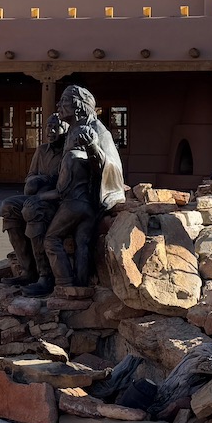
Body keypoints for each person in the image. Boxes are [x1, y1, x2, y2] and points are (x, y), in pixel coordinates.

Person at [30, 85, 126, 295]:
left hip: (79, 199)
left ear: (78, 107)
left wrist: (92, 147)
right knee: (82, 243)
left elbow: (111, 166)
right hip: (83, 202)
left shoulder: (97, 131)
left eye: (64, 101)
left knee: (50, 235)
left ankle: (62, 282)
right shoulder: (73, 130)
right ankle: (79, 286)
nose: (58, 105)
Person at [0, 112, 68, 287]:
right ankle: (27, 270)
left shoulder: (68, 153)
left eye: (55, 127)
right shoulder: (41, 151)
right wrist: (33, 181)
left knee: (31, 210)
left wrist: (44, 180)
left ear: (65, 128)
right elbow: (30, 178)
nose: (50, 130)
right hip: (36, 196)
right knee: (8, 206)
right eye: (48, 127)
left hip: (56, 201)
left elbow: (63, 187)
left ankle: (45, 275)